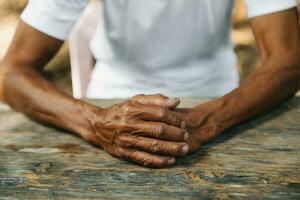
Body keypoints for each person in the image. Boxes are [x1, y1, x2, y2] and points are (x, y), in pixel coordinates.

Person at [0, 0, 299, 168]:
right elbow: (11, 73)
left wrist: (210, 120)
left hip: (220, 102)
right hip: (111, 103)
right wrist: (96, 122)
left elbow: (289, 60)